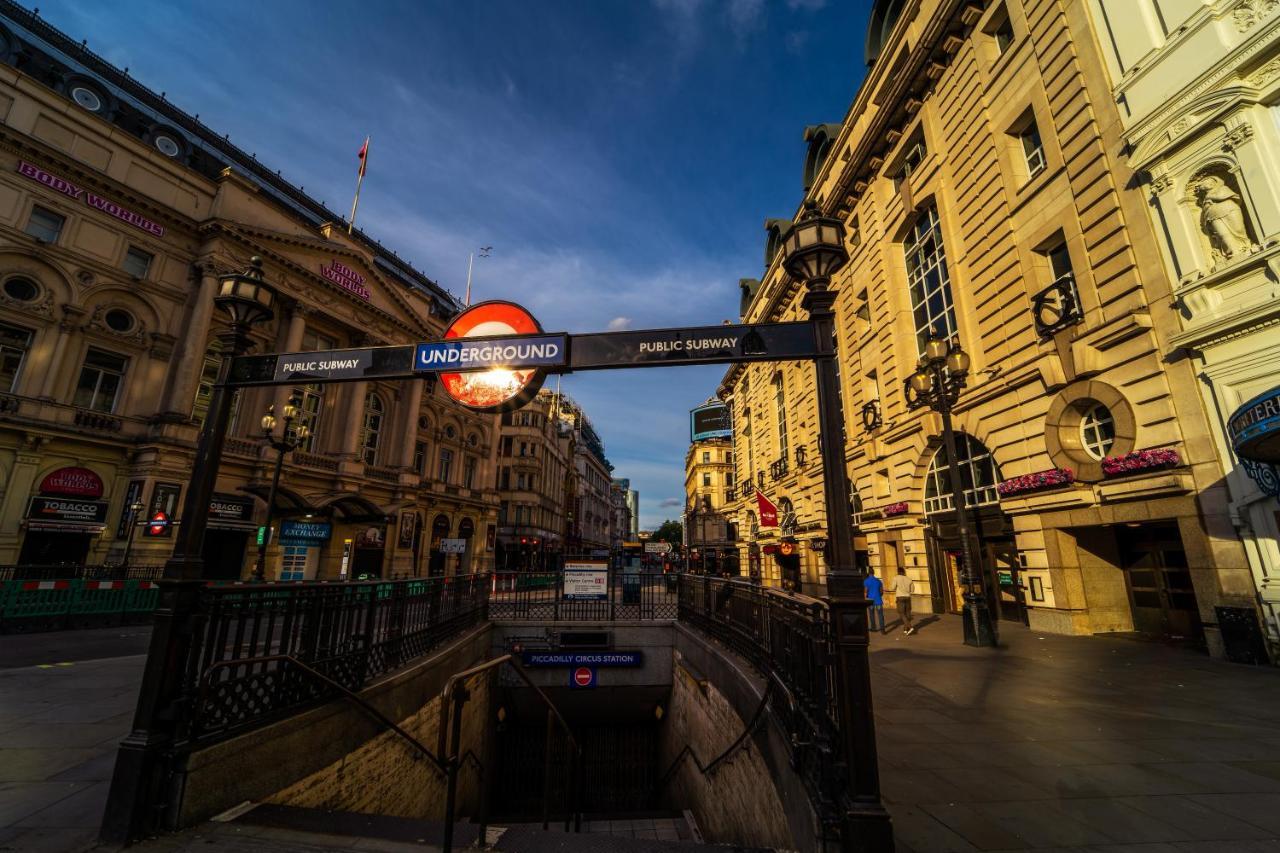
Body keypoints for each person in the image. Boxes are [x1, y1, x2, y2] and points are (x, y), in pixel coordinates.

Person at [893, 568, 915, 635]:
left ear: (898, 572)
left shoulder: (896, 578)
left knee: (901, 613)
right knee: (907, 613)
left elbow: (892, 587)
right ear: (904, 572)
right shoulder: (909, 579)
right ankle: (905, 629)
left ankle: (910, 627)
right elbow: (912, 590)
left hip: (900, 597)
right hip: (908, 597)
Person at [863, 568, 885, 633]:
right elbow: (881, 592)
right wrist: (878, 595)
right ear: (874, 573)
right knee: (880, 615)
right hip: (878, 599)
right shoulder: (878, 581)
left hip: (870, 600)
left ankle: (873, 628)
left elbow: (866, 591)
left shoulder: (866, 581)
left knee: (871, 614)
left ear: (868, 573)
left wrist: (865, 598)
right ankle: (882, 629)